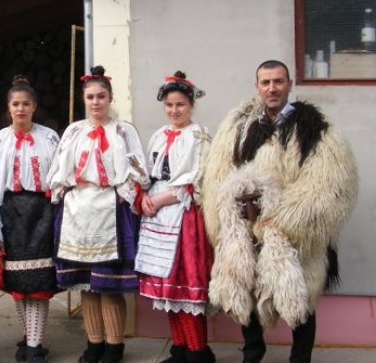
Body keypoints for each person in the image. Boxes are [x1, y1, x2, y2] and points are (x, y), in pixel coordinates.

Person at [200, 60, 358, 363]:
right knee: (246, 290)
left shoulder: (314, 131)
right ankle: (253, 353)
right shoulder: (238, 129)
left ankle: (300, 359)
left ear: (289, 84)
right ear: (257, 86)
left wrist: (282, 216)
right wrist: (231, 212)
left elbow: (326, 182)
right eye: (266, 82)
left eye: (278, 81)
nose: (272, 88)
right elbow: (220, 174)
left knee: (299, 296)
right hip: (245, 230)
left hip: (289, 232)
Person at [47, 65, 150, 363]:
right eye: (90, 97)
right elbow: (58, 169)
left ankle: (114, 347)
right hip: (77, 213)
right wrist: (63, 190)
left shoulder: (123, 130)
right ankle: (94, 344)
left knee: (108, 285)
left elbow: (138, 169)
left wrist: (125, 193)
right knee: (86, 287)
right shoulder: (74, 131)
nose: (96, 102)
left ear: (110, 98)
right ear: (84, 99)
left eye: (101, 96)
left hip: (110, 212)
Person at [134, 71, 216, 363]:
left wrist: (157, 199)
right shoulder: (158, 135)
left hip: (184, 218)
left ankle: (198, 352)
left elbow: (196, 183)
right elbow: (147, 173)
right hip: (157, 216)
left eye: (180, 104)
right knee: (167, 287)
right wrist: (144, 195)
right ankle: (180, 348)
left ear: (191, 105)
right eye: (169, 105)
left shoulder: (199, 136)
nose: (174, 110)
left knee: (185, 288)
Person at [0, 75, 60, 363]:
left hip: (42, 214)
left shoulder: (50, 138)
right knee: (19, 285)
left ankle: (33, 344)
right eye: (15, 104)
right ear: (8, 107)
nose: (21, 109)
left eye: (26, 104)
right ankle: (31, 340)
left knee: (38, 285)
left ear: (35, 106)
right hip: (11, 216)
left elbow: (60, 178)